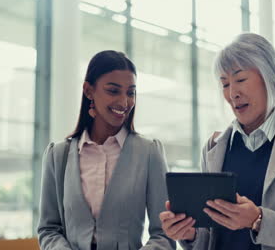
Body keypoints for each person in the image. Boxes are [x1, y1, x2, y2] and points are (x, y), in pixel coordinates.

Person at [159, 33, 275, 250]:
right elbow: (209, 239)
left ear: (268, 77)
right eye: (224, 84)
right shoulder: (214, 147)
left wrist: (257, 220)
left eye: (240, 79)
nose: (232, 93)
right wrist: (190, 234)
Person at [38, 50, 176, 250]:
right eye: (113, 91)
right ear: (88, 91)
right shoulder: (57, 156)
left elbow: (164, 233)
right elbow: (49, 229)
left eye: (130, 92)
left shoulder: (148, 153)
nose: (124, 102)